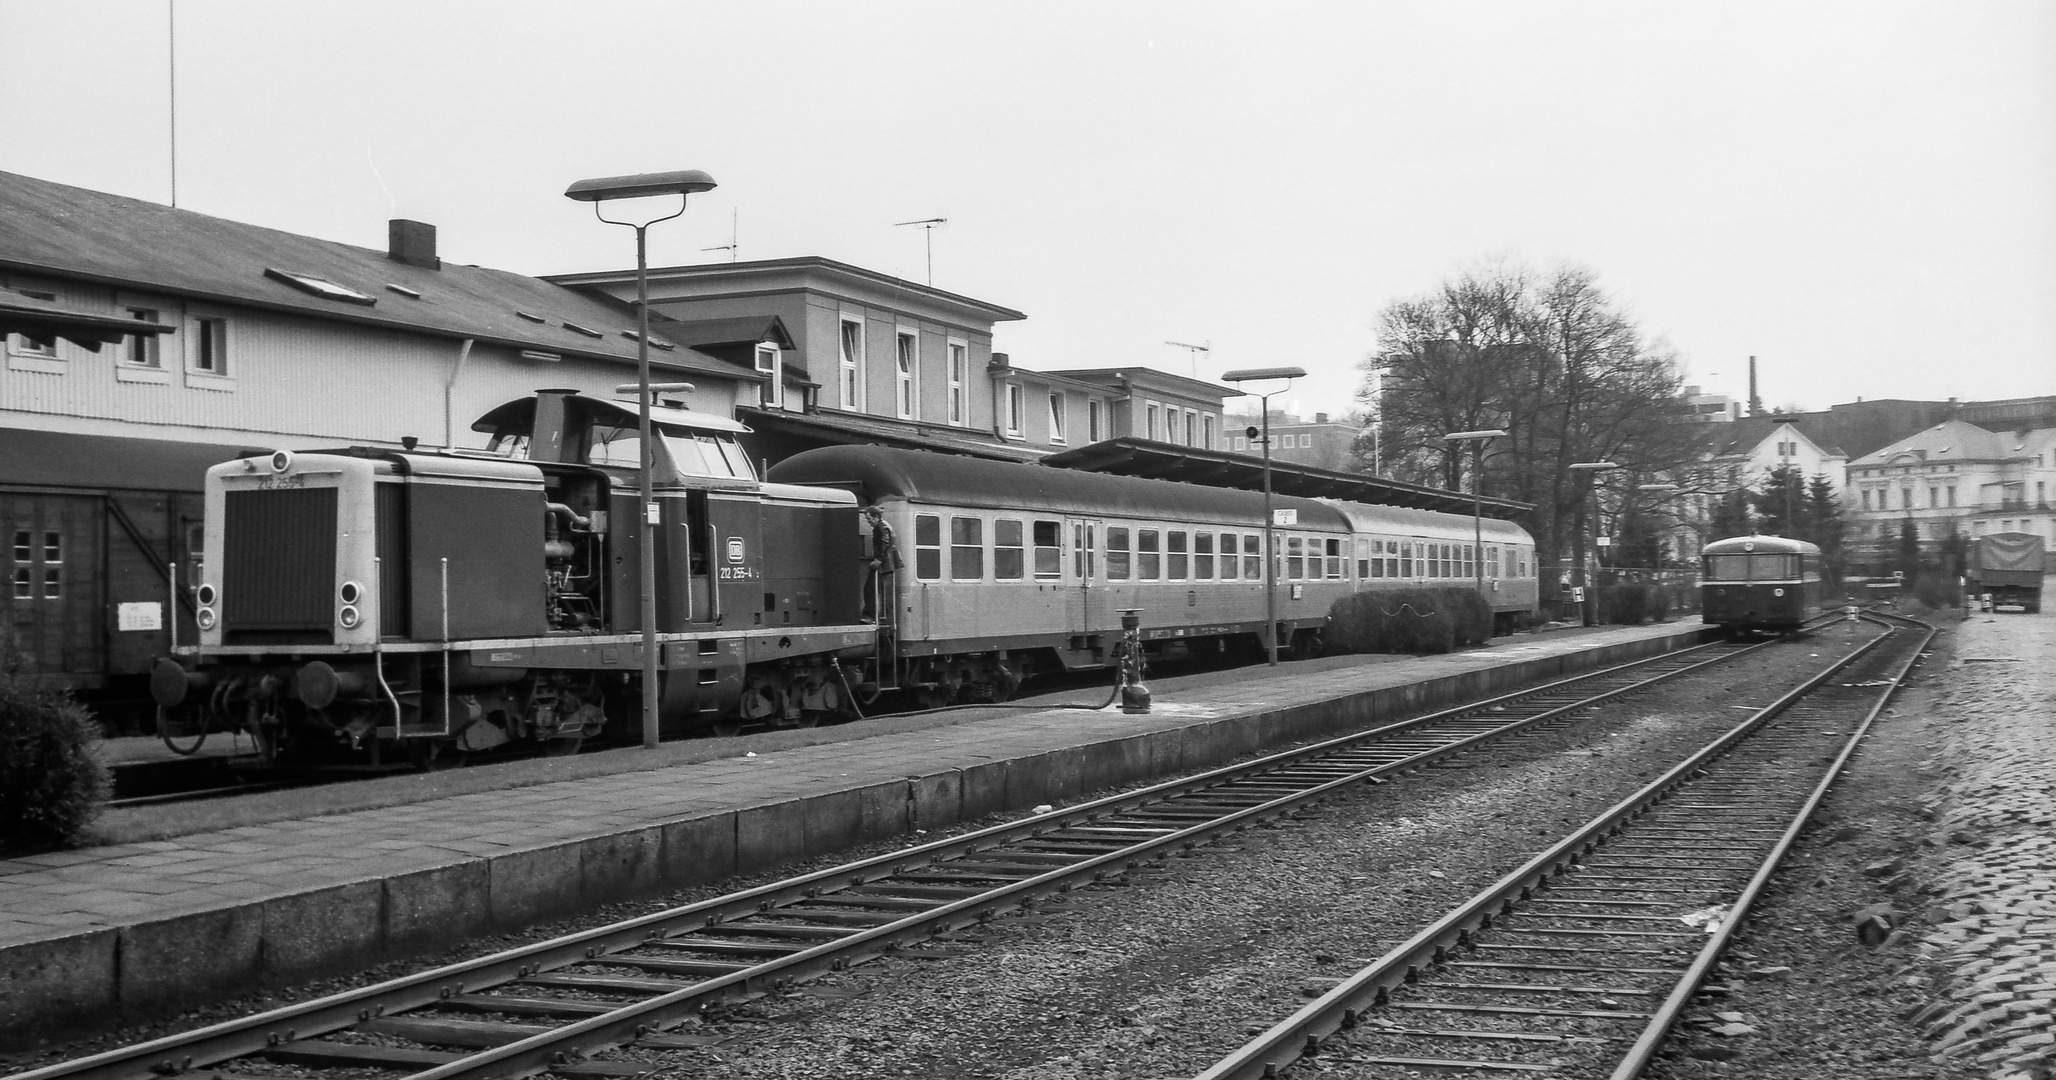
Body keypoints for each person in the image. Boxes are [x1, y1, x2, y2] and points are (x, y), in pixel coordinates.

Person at [861, 505, 902, 621]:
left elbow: (884, 542)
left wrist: (878, 559)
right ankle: (870, 614)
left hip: (884, 562)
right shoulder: (883, 525)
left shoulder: (881, 527)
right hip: (886, 561)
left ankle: (871, 616)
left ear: (876, 517)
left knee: (870, 588)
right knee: (871, 588)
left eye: (869, 519)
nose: (868, 521)